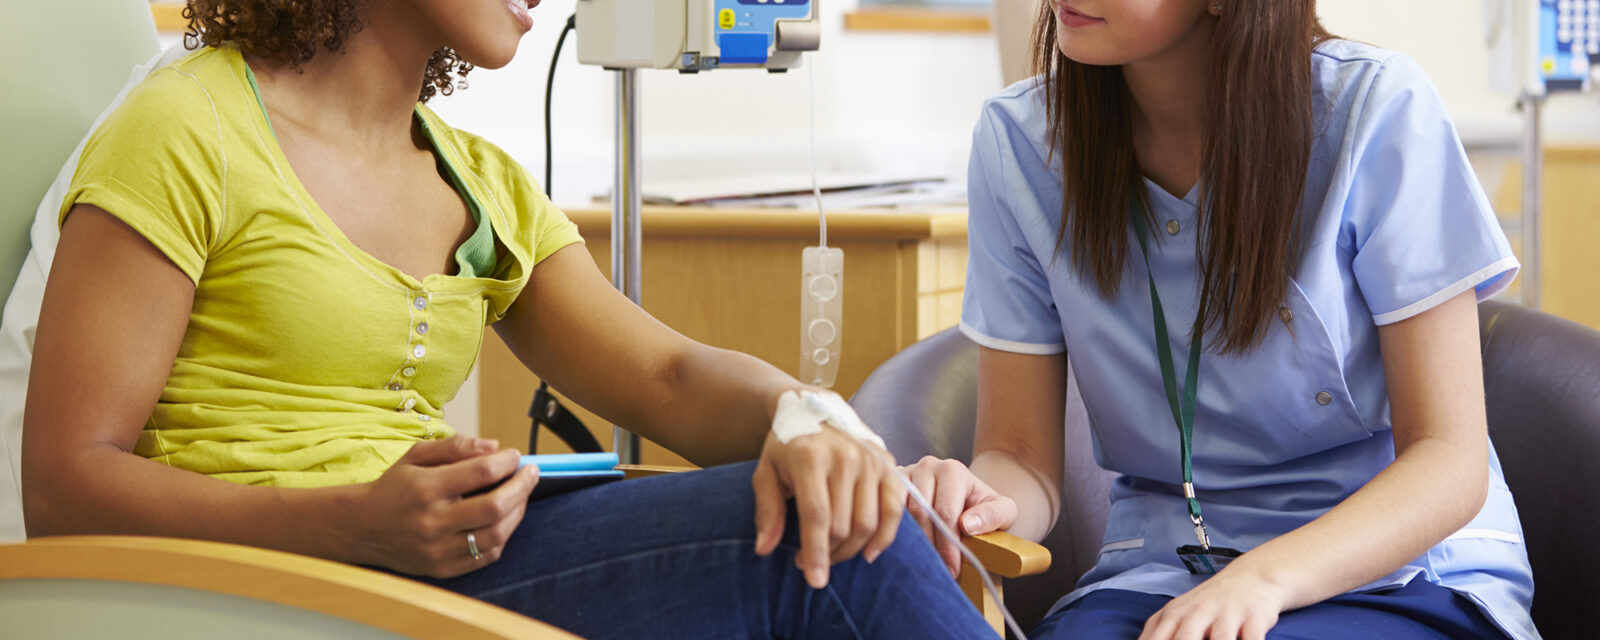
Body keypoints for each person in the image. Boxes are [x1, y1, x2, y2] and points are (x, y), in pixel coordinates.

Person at [17, 1, 996, 637]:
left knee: (846, 516)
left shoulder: (477, 181)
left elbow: (669, 379)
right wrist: (354, 524)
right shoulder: (186, 128)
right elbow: (63, 487)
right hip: (257, 592)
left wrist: (811, 421)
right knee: (831, 555)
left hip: (432, 563)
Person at [902, 0, 1540, 639]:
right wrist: (974, 503)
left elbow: (1449, 461)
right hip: (1160, 576)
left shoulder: (1375, 110)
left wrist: (1263, 578)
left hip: (1398, 572)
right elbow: (1020, 456)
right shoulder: (1019, 143)